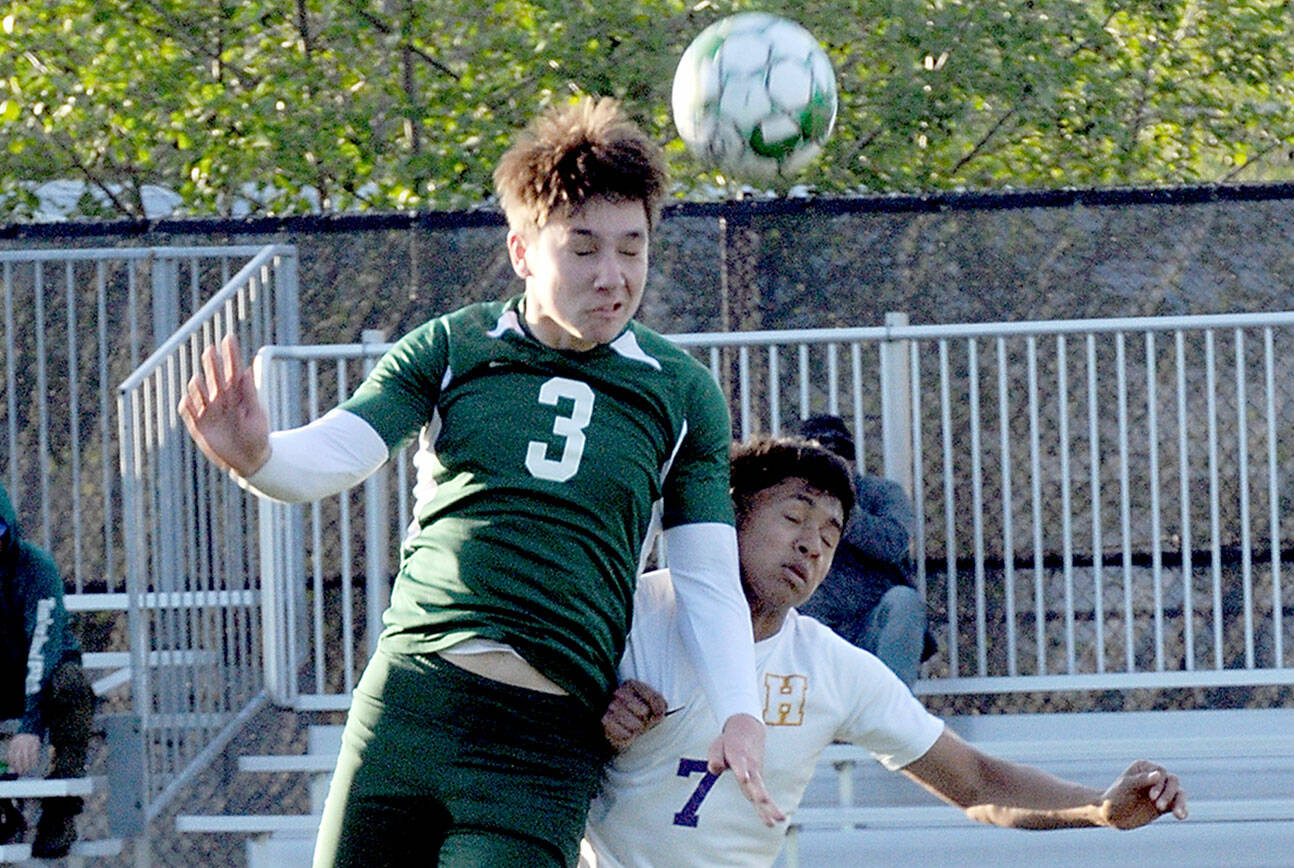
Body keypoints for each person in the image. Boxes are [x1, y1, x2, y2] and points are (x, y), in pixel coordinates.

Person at [177, 96, 777, 867]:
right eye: (583, 248)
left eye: (632, 249)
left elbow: (707, 578)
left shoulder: (682, 391)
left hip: (542, 744)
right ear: (524, 252)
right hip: (409, 705)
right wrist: (258, 457)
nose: (612, 275)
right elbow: (344, 450)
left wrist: (741, 712)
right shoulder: (455, 345)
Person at [581, 436, 1187, 867]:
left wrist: (1097, 810)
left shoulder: (834, 668)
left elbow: (976, 781)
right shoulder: (629, 612)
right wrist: (593, 727)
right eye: (794, 517)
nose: (811, 546)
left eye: (830, 534)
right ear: (732, 517)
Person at [0, 479, 96, 858]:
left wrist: (31, 726)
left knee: (71, 685)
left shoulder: (35, 568)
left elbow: (42, 646)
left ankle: (59, 814)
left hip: (42, 675)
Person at [798, 413, 934, 687]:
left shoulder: (881, 493)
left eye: (836, 458)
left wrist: (842, 510)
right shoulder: (789, 501)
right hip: (813, 629)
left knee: (904, 602)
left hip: (872, 628)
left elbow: (894, 544)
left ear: (851, 462)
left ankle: (895, 717)